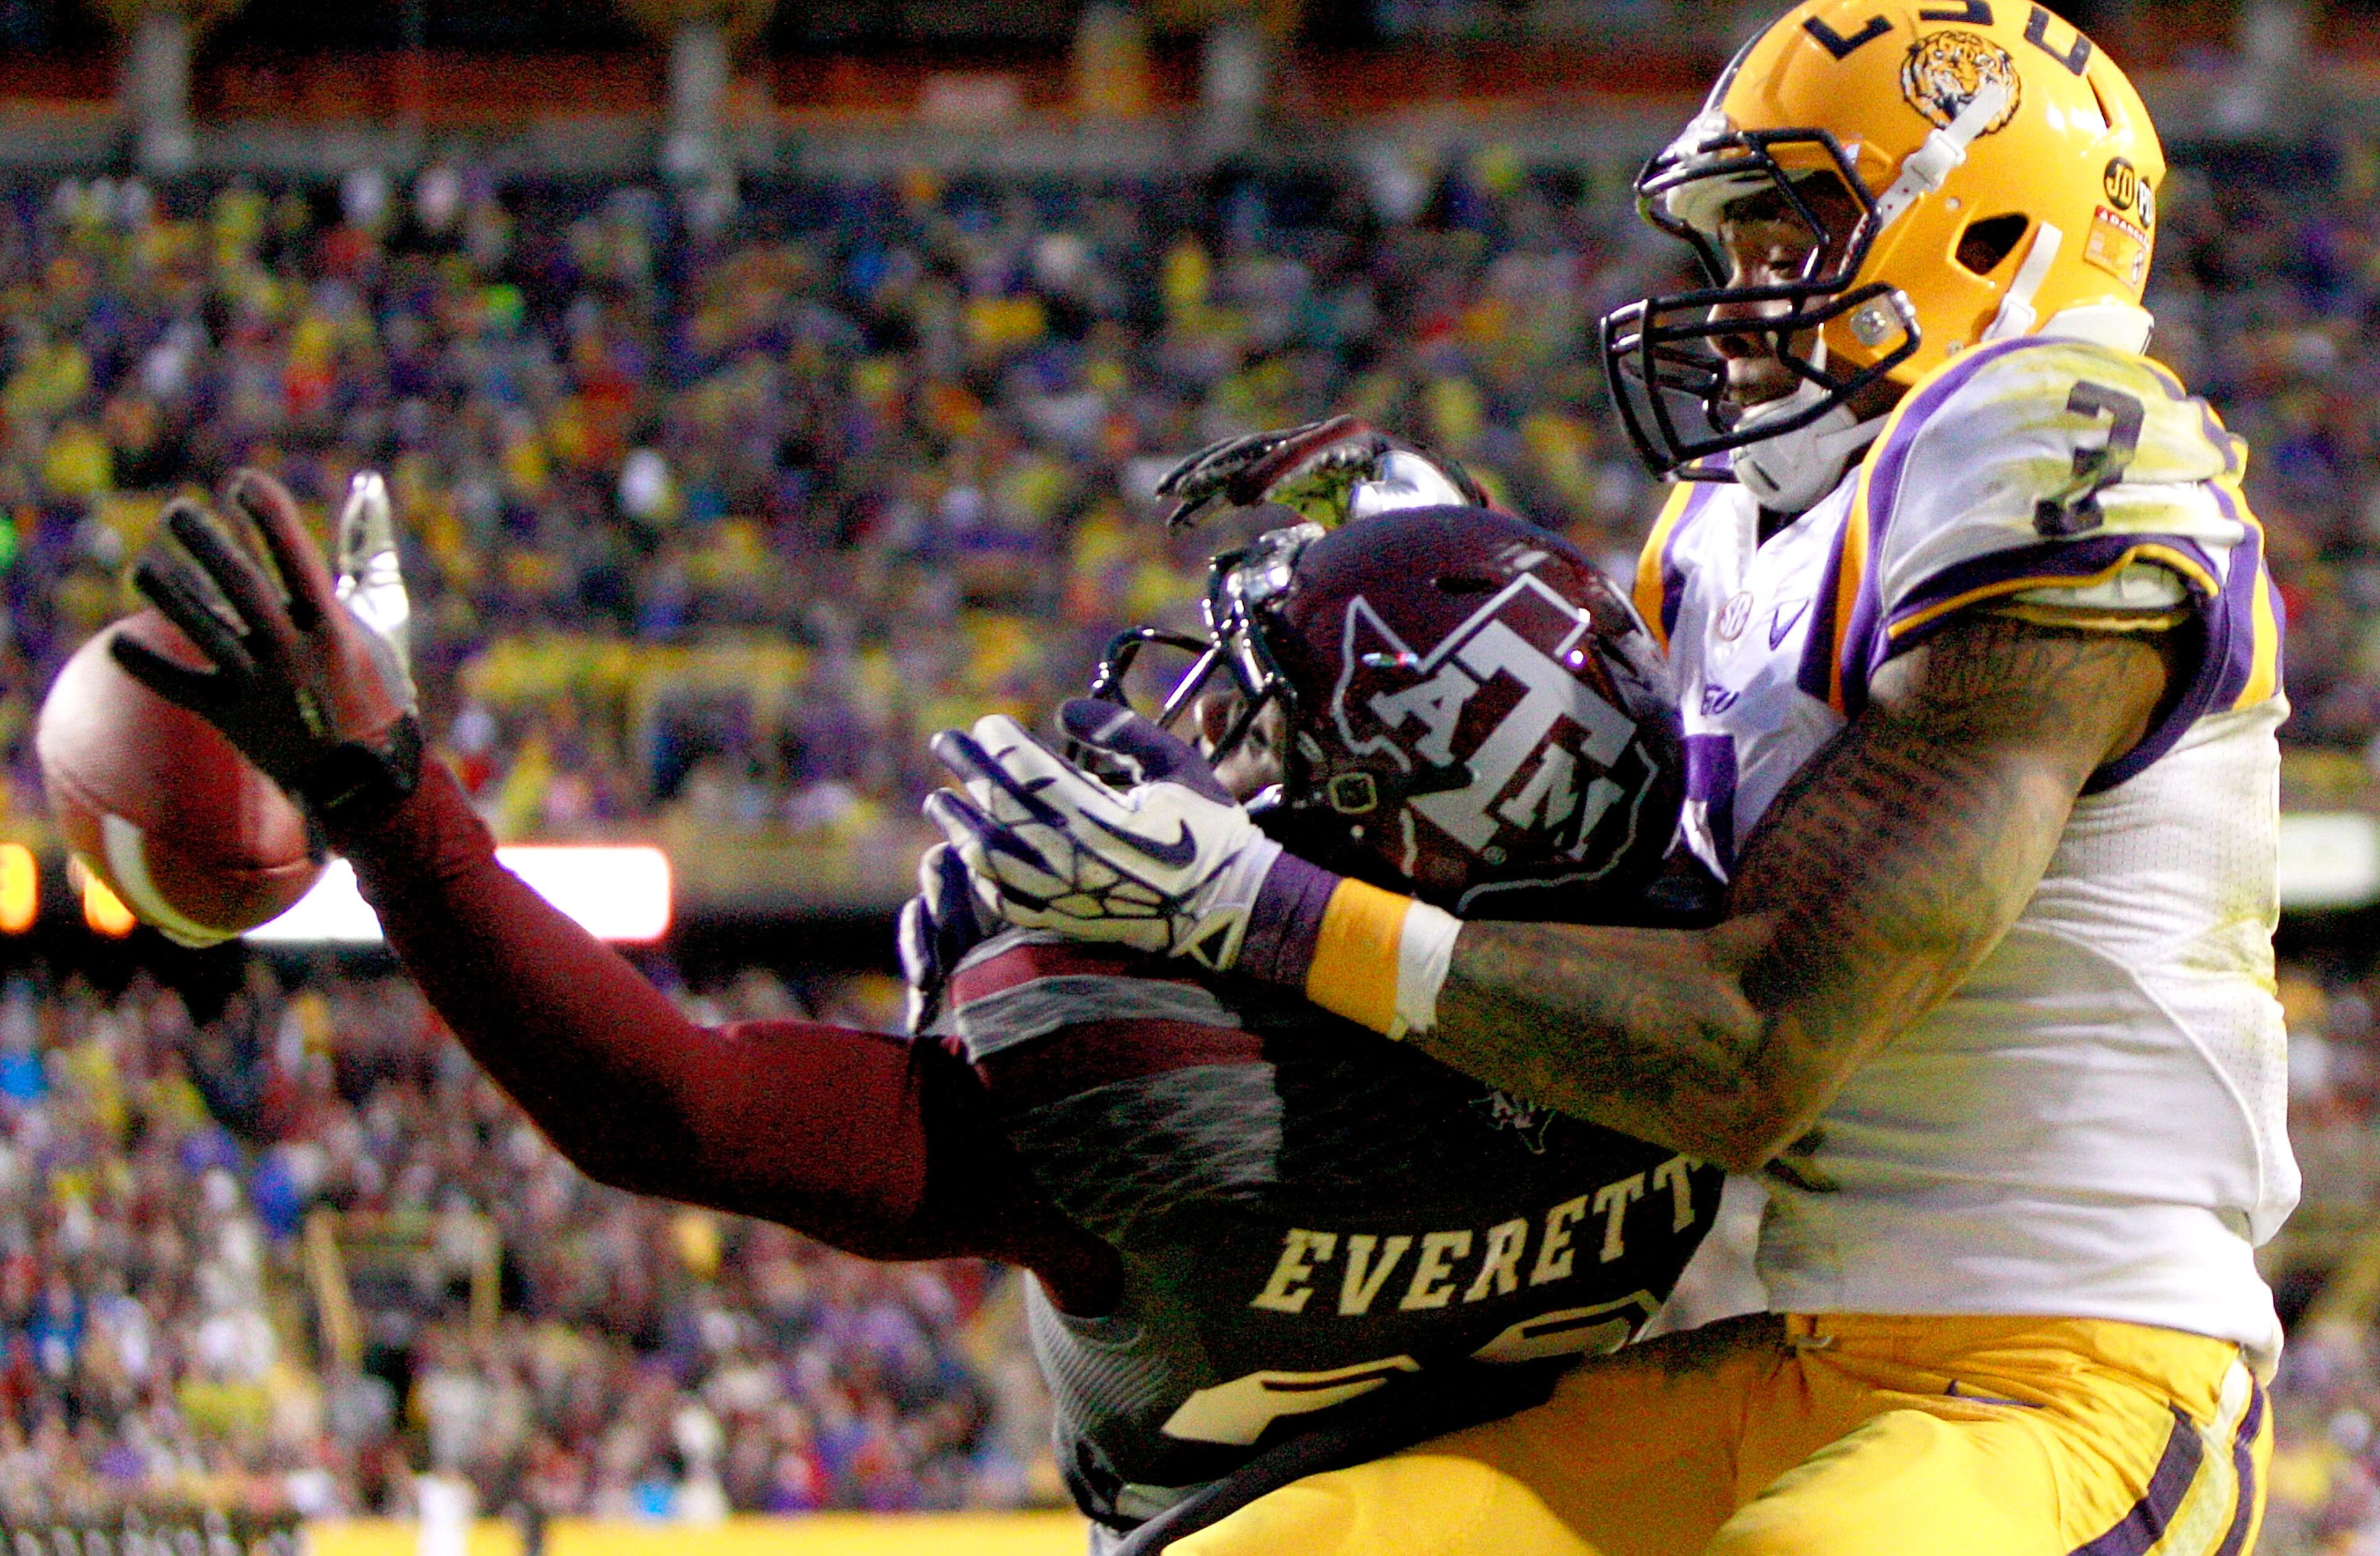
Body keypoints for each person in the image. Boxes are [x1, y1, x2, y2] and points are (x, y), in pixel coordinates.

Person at [922, 0, 2291, 1555]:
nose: (1741, 291)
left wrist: (1255, 904)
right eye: (1732, 245)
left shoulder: (2065, 442)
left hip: (2077, 1382)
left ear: (1988, 233)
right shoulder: (1722, 531)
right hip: (1814, 1356)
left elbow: (1753, 1039)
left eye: (1793, 238)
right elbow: (1597, 880)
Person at [106, 469, 1717, 1547]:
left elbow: (675, 1105)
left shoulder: (1145, 1069)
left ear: (1394, 838)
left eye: (1279, 741)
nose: (1216, 745)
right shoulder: (1712, 1006)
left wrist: (389, 805)